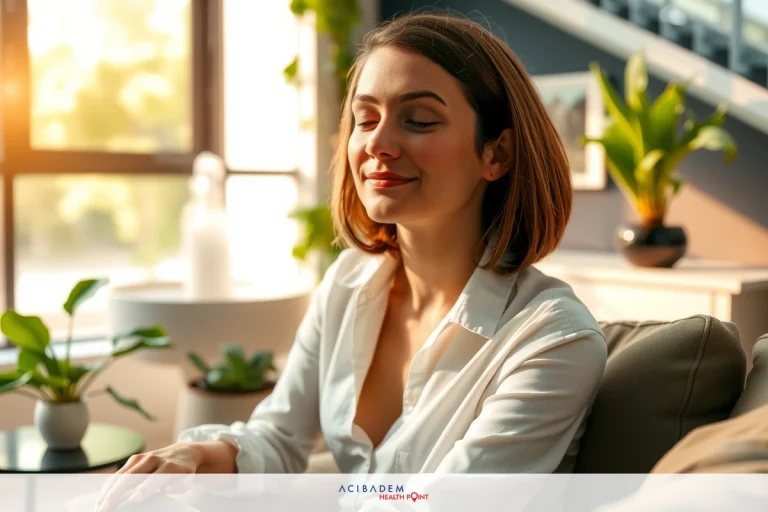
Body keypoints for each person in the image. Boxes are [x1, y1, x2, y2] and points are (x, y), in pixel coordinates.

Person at [94, 12, 607, 511]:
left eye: (420, 120)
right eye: (366, 119)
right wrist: (202, 453)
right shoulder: (347, 283)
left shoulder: (553, 341)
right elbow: (279, 435)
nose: (378, 144)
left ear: (496, 154)